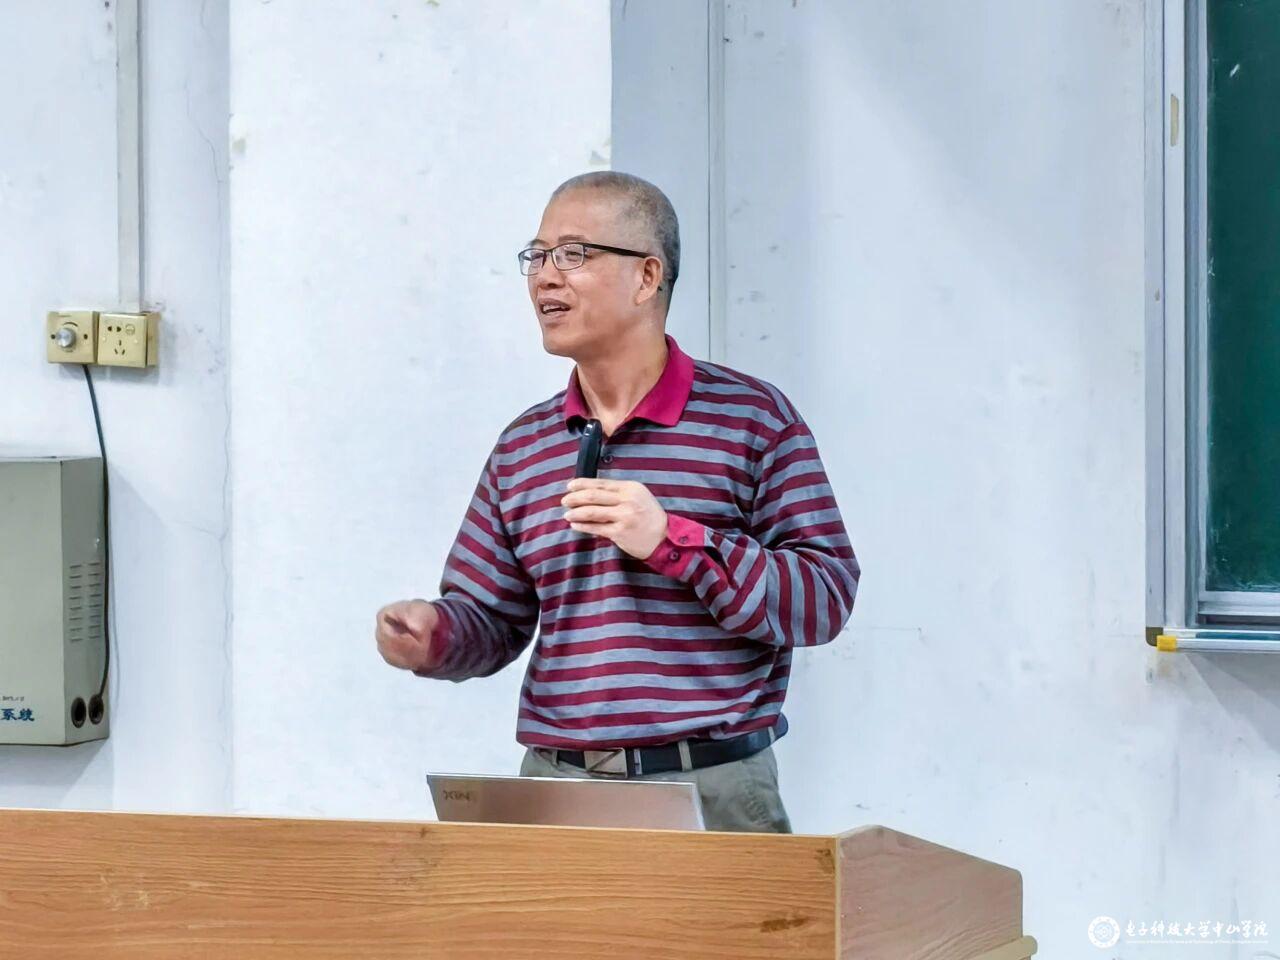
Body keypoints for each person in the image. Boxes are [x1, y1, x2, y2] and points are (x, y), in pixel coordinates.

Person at [376, 171, 859, 832]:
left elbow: (823, 598)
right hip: (554, 786)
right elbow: (492, 619)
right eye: (536, 255)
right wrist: (434, 635)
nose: (545, 277)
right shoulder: (525, 445)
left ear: (646, 276)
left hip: (711, 785)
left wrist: (674, 541)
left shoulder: (753, 419)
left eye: (573, 254)